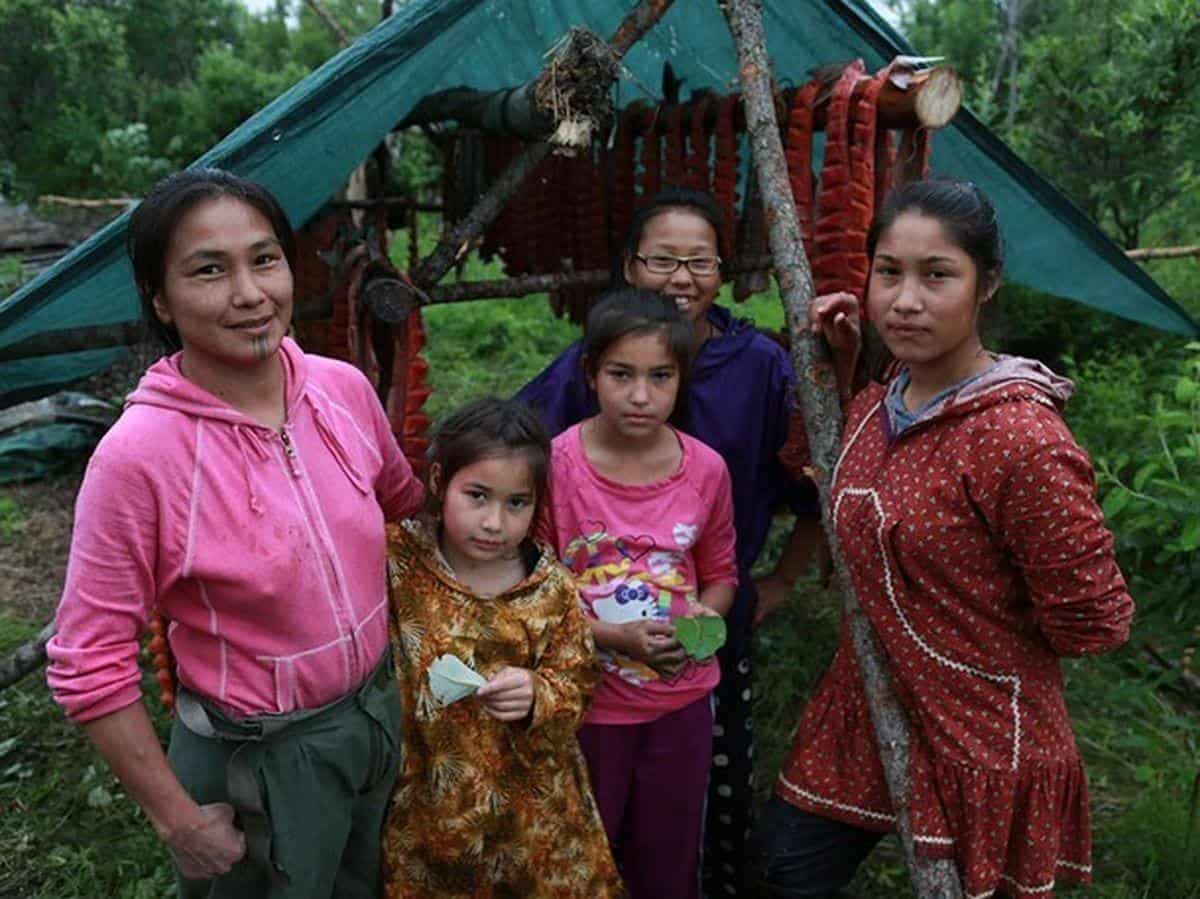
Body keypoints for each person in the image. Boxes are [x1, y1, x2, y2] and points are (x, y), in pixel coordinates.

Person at [45, 168, 424, 898]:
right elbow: (88, 662)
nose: (250, 294)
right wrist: (177, 818)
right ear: (160, 298)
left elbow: (403, 506)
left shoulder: (341, 390)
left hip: (377, 719)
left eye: (264, 258)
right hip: (259, 763)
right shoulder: (139, 456)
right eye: (209, 270)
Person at [755, 178, 1135, 899]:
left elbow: (1095, 619)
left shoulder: (1019, 437)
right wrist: (845, 361)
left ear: (985, 283)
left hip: (982, 731)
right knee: (782, 870)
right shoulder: (883, 393)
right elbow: (833, 471)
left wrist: (976, 639)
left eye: (937, 276)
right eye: (888, 272)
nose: (905, 300)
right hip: (866, 699)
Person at [518, 186, 853, 893]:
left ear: (722, 272)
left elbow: (815, 467)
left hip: (702, 623)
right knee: (591, 807)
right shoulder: (594, 365)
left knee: (693, 793)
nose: (681, 278)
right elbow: (516, 454)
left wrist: (783, 578)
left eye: (699, 261)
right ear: (631, 269)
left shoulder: (758, 365)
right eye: (663, 260)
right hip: (591, 648)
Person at [537, 288, 738, 899]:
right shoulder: (556, 467)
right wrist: (612, 636)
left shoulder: (706, 469)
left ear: (682, 380)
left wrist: (703, 620)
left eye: (660, 377)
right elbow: (535, 590)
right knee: (582, 858)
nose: (641, 395)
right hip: (586, 706)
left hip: (680, 707)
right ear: (590, 374)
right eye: (621, 375)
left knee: (666, 860)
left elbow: (721, 574)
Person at [380, 396, 623, 898]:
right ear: (438, 481)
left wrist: (538, 693)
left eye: (517, 503)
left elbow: (578, 680)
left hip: (535, 813)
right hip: (429, 806)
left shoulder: (548, 587)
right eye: (477, 495)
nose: (494, 522)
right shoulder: (398, 566)